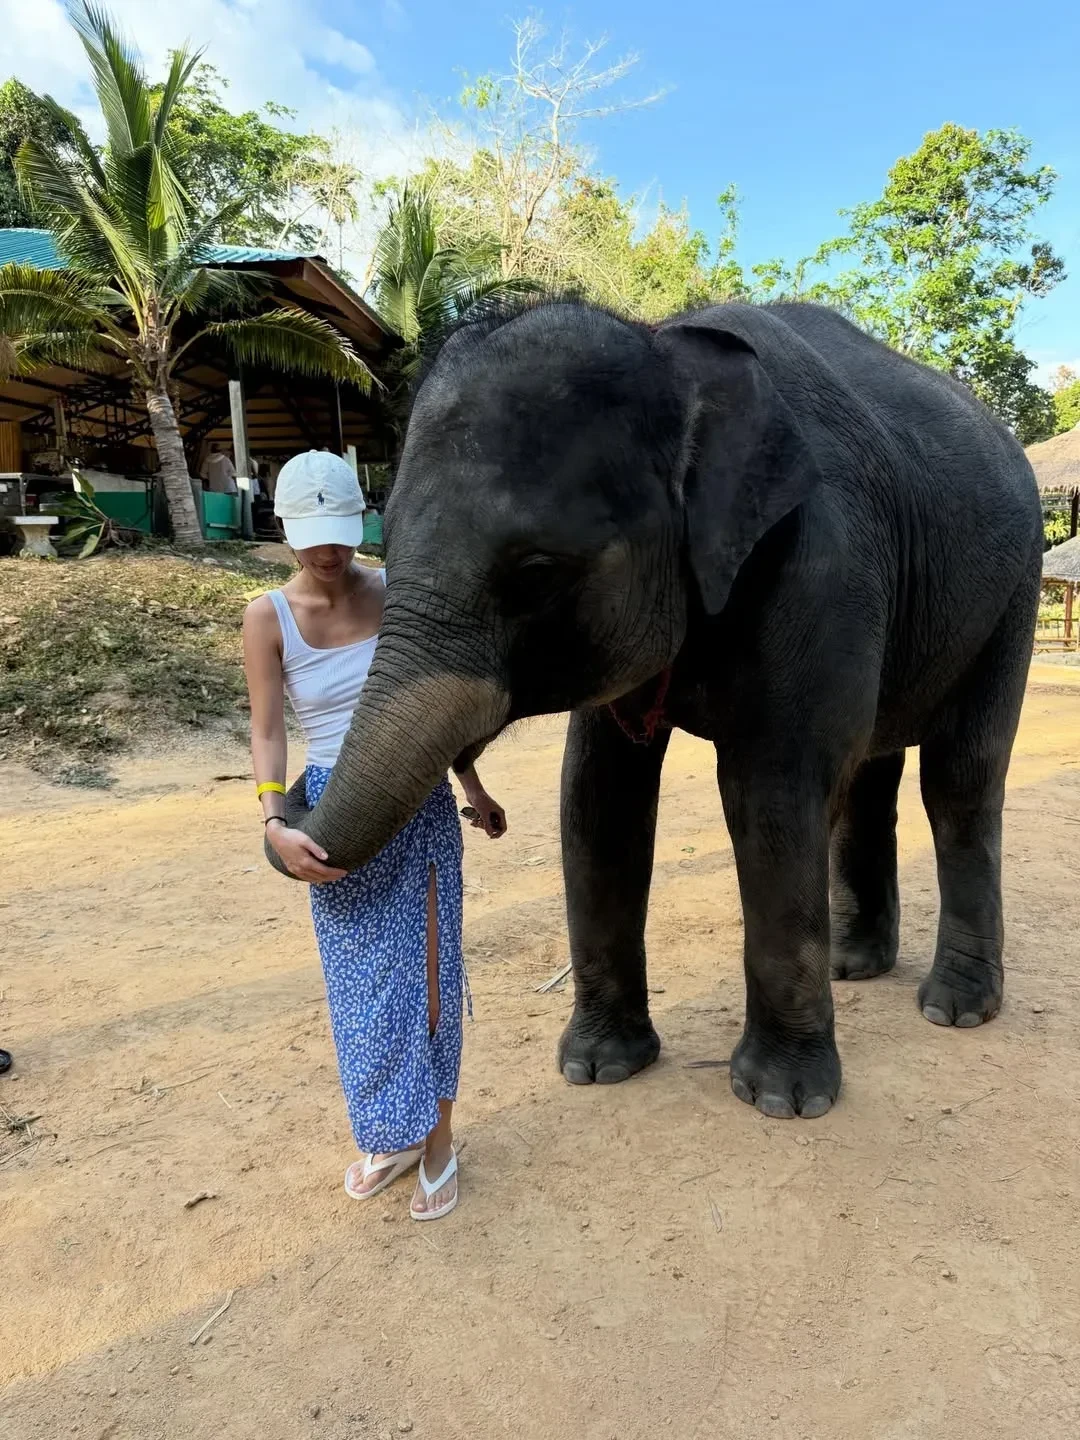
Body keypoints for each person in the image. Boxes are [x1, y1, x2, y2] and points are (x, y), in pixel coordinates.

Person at [243, 450, 506, 1221]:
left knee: (430, 982)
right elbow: (267, 732)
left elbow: (432, 705)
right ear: (285, 531)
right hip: (339, 816)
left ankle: (439, 1142)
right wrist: (274, 822)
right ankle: (394, 1134)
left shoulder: (396, 592)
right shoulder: (267, 616)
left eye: (340, 532)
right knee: (361, 991)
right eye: (312, 537)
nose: (329, 552)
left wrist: (472, 786)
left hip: (416, 803)